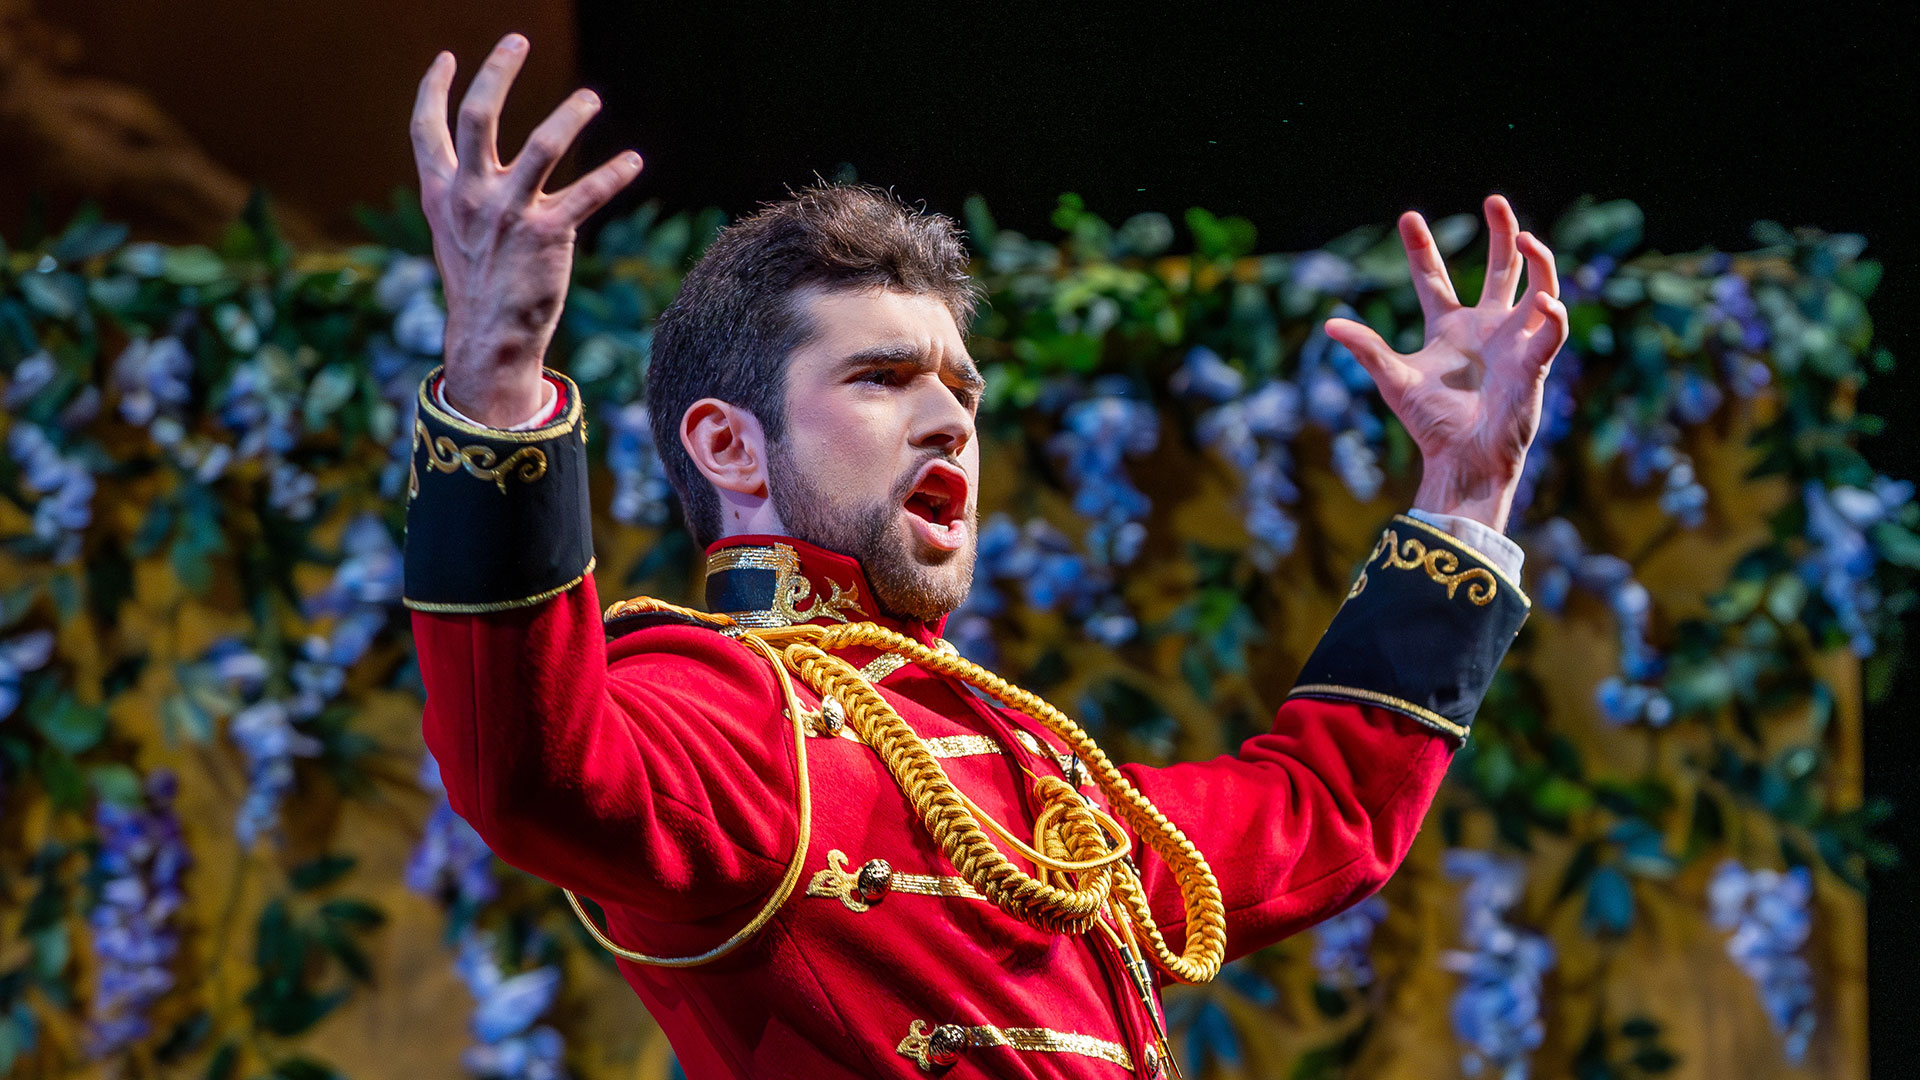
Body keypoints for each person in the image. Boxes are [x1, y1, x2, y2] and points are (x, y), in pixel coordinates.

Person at [402, 33, 1567, 1080]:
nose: (951, 418)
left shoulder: (1037, 779)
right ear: (728, 445)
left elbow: (1317, 814)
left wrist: (1466, 497)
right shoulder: (725, 716)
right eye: (882, 377)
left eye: (961, 389)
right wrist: (496, 385)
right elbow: (531, 772)